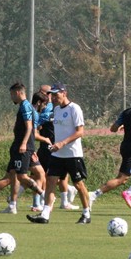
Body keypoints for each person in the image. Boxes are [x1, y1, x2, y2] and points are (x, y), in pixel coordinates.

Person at [27, 83, 93, 224]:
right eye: (52, 95)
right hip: (57, 155)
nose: (54, 97)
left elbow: (80, 132)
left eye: (56, 94)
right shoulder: (56, 110)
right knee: (50, 181)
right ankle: (45, 215)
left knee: (78, 184)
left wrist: (62, 143)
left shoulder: (74, 108)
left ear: (64, 93)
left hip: (73, 154)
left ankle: (86, 213)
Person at [0, 83, 43, 214]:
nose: (11, 97)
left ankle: (44, 196)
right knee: (12, 176)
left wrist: (24, 144)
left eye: (12, 94)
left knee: (22, 176)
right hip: (22, 146)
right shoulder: (26, 106)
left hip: (22, 147)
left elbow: (29, 127)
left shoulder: (25, 106)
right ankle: (7, 204)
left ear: (18, 93)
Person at [89, 90, 131, 213]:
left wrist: (127, 126)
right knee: (122, 179)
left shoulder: (126, 112)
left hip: (126, 146)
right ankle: (93, 195)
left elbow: (113, 128)